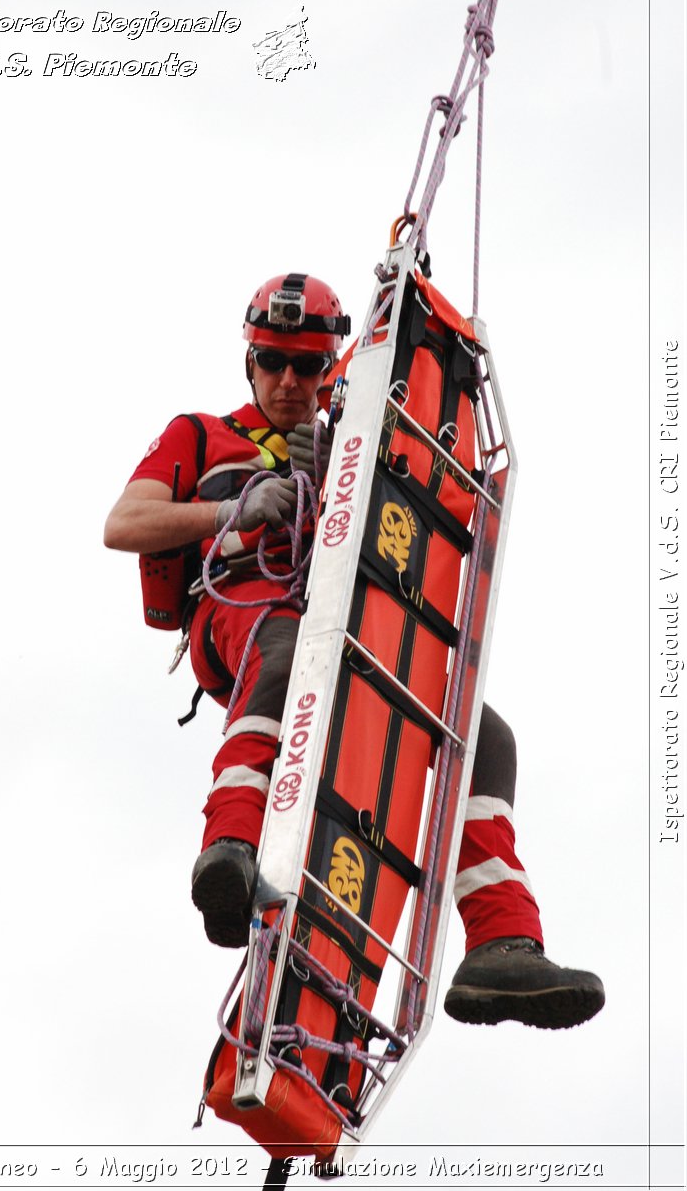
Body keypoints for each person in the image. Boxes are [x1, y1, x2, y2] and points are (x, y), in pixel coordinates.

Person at [104, 272, 604, 1030]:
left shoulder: (352, 439)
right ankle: (229, 848)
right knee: (282, 646)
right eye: (272, 361)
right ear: (250, 361)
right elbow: (125, 522)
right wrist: (233, 505)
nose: (288, 381)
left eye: (307, 367)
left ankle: (503, 942)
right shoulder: (202, 434)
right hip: (245, 607)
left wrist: (344, 467)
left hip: (343, 616)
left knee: (482, 735)